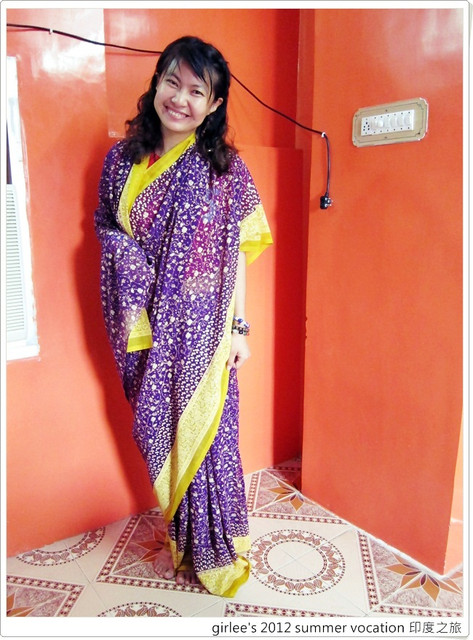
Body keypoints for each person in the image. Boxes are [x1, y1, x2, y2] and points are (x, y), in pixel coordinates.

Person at [94, 35, 272, 597]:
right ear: (156, 85)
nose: (181, 98)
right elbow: (106, 227)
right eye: (172, 82)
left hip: (204, 328)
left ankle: (213, 548)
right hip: (143, 325)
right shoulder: (120, 162)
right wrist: (125, 258)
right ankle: (183, 539)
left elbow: (236, 252)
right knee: (160, 429)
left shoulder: (225, 169)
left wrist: (239, 327)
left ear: (214, 105)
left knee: (210, 440)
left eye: (198, 91)